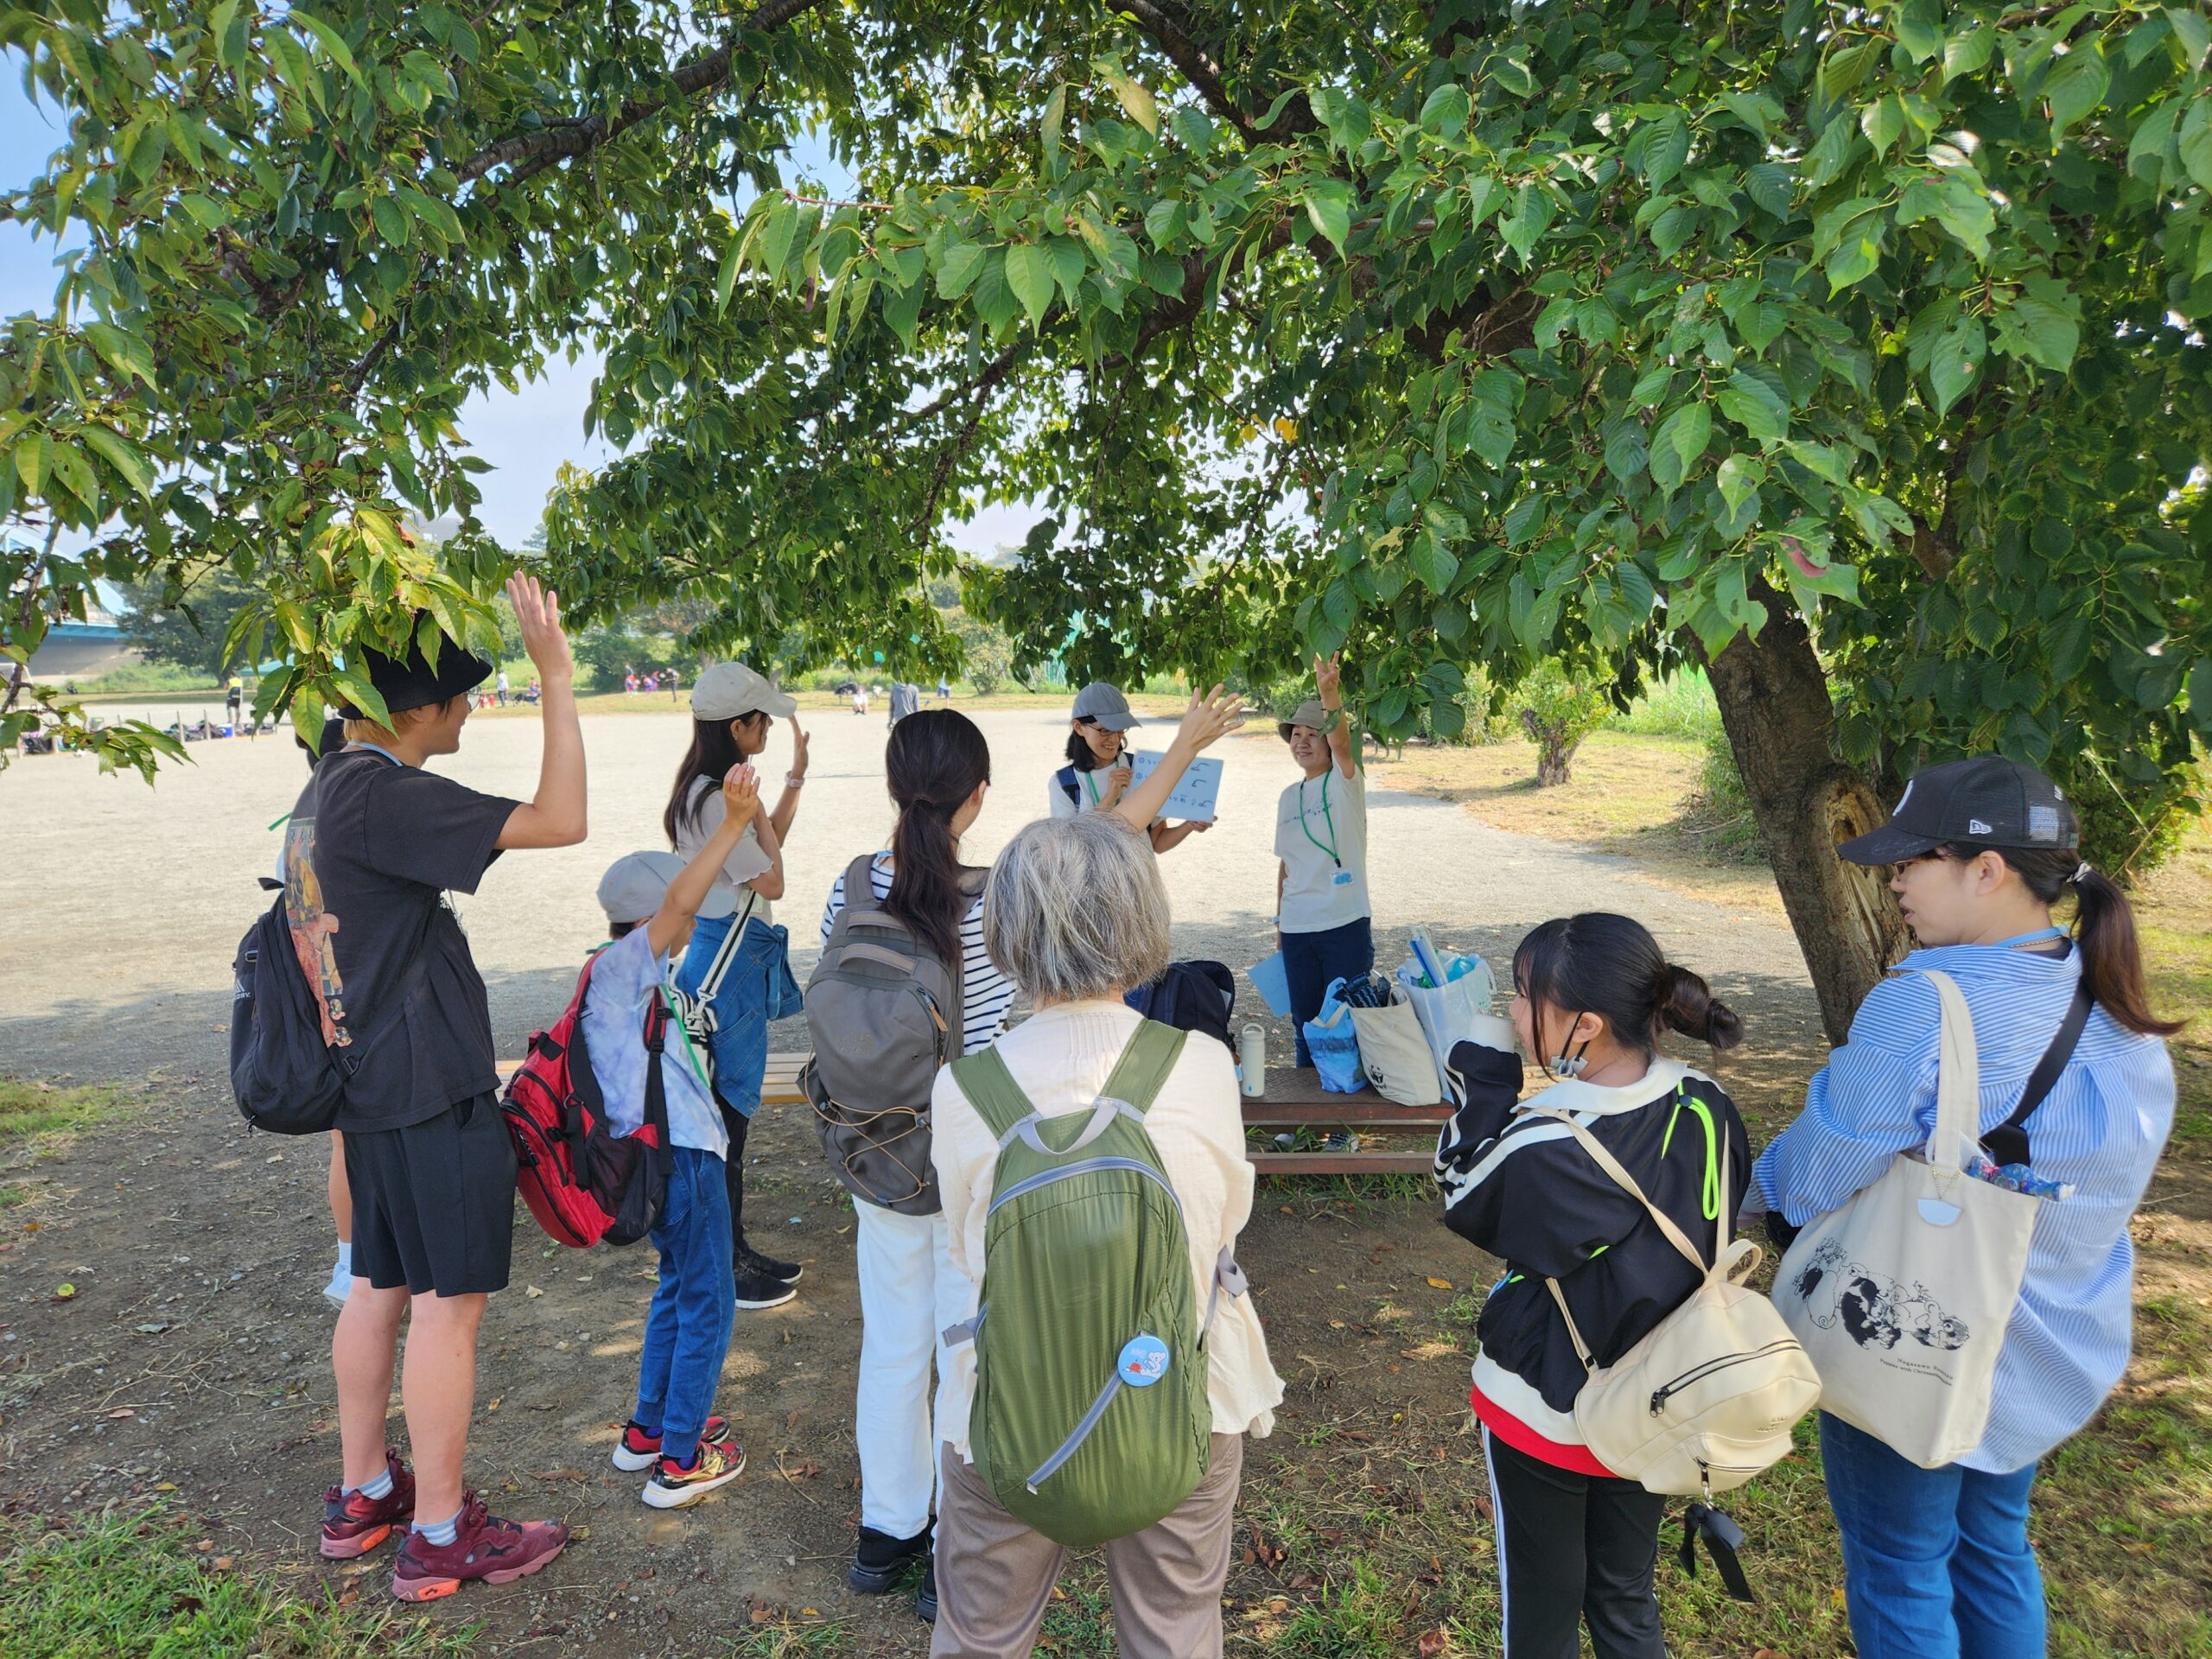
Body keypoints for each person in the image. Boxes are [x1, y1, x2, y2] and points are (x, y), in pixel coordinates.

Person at [825, 692, 1245, 1618]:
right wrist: (1182, 746)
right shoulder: (991, 902)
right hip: (981, 1146)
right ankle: (946, 1535)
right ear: (977, 795)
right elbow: (1106, 837)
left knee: (891, 1344)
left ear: (896, 789)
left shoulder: (851, 886)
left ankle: (883, 1531)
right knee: (965, 1339)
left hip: (877, 1153)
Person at [1753, 756, 2177, 1659]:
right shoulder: (2115, 1005)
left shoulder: (1924, 1003)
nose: (1893, 879)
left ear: (1986, 871)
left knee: (1901, 1564)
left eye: (1913, 860)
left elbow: (1815, 1174)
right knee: (1992, 1549)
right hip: (2033, 1348)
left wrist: (1734, 1188)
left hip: (1920, 1338)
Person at [928, 809, 1283, 1654]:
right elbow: (1226, 1223)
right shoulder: (1198, 1064)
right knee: (1176, 1626)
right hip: (1184, 1401)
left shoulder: (967, 1089)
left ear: (1004, 933)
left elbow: (965, 1250)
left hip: (1004, 1417)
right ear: (1141, 923)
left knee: (981, 1633)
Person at [301, 575, 583, 1601]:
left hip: (368, 1087)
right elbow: (562, 819)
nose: (468, 707)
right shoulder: (388, 792)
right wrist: (556, 676)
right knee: (445, 1307)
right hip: (426, 1090)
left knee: (376, 1282)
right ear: (412, 709)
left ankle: (365, 1493)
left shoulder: (327, 784)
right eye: (457, 693)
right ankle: (436, 1533)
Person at [1433, 912, 1749, 1659]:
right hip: (1659, 1397)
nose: (1513, 1012)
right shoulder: (1708, 1104)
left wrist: (1482, 1070)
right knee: (1624, 1595)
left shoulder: (1553, 1137)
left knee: (1541, 1614)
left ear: (1585, 1026)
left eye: (1521, 996)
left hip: (1545, 1409)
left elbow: (1461, 1186)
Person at [594, 776, 769, 1510]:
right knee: (709, 1301)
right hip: (687, 1162)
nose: (694, 922)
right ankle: (682, 1457)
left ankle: (649, 1429)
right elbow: (680, 904)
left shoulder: (614, 980)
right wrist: (730, 826)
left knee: (676, 1290)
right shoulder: (629, 971)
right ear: (651, 921)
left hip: (657, 1163)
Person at [667, 662, 811, 1311]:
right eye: (764, 720)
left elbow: (765, 845)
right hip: (728, 974)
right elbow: (774, 880)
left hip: (722, 962)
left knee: (728, 1123)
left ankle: (736, 1250)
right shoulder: (710, 801)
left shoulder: (704, 791)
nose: (771, 727)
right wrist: (752, 814)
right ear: (737, 726)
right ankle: (726, 1265)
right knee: (725, 1123)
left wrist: (792, 781)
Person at [1274, 654, 1370, 1067]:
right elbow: (1286, 864)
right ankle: (1304, 1123)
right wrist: (1279, 922)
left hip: (1343, 922)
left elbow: (1343, 743)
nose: (1302, 741)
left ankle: (1344, 1120)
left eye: (1313, 733)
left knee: (1345, 1022)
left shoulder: (1345, 781)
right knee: (1303, 1023)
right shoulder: (1287, 796)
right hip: (1297, 927)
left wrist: (1328, 693)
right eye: (1296, 733)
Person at [1051, 682, 1211, 855]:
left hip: (1141, 880)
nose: (1114, 739)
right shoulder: (1063, 785)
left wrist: (1189, 825)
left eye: (1119, 729)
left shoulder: (1142, 769)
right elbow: (1072, 852)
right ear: (1079, 727)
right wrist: (1109, 798)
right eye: (1105, 730)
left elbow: (1157, 841)